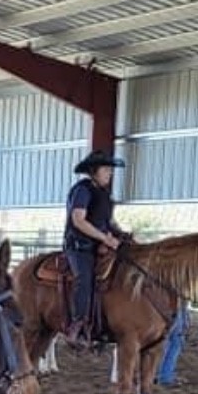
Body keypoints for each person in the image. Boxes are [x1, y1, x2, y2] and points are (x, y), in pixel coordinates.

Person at [63, 149, 129, 348]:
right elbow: (78, 220)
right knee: (85, 278)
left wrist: (122, 234)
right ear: (94, 171)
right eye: (106, 169)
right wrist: (105, 238)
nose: (110, 173)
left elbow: (107, 221)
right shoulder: (82, 190)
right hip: (79, 247)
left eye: (110, 169)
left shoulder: (103, 194)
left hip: (99, 245)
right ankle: (79, 322)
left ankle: (109, 321)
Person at [157, 301, 190, 386]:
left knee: (167, 341)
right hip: (175, 304)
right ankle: (165, 375)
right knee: (175, 340)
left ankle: (161, 373)